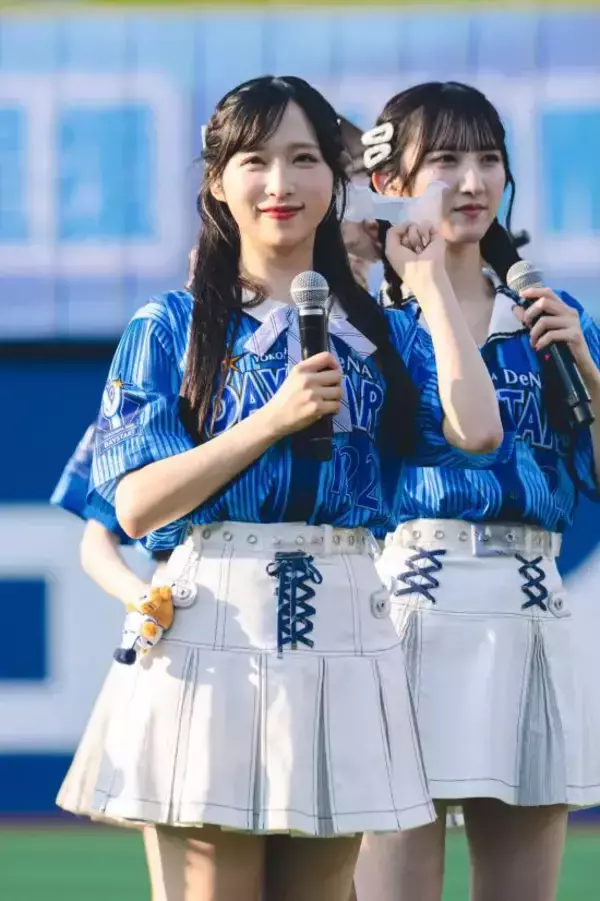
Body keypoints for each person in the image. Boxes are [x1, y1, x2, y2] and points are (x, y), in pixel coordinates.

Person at [56, 75, 504, 901]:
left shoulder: (380, 332)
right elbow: (135, 505)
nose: (280, 183)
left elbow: (477, 433)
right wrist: (267, 422)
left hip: (346, 631)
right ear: (216, 183)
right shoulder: (170, 326)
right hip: (211, 634)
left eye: (304, 159)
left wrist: (432, 285)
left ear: (335, 181)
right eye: (255, 161)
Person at [346, 81, 600, 901]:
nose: (472, 181)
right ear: (391, 183)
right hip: (411, 604)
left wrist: (589, 372)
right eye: (446, 160)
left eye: (489, 159)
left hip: (531, 606)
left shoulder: (550, 316)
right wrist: (420, 287)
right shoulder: (369, 327)